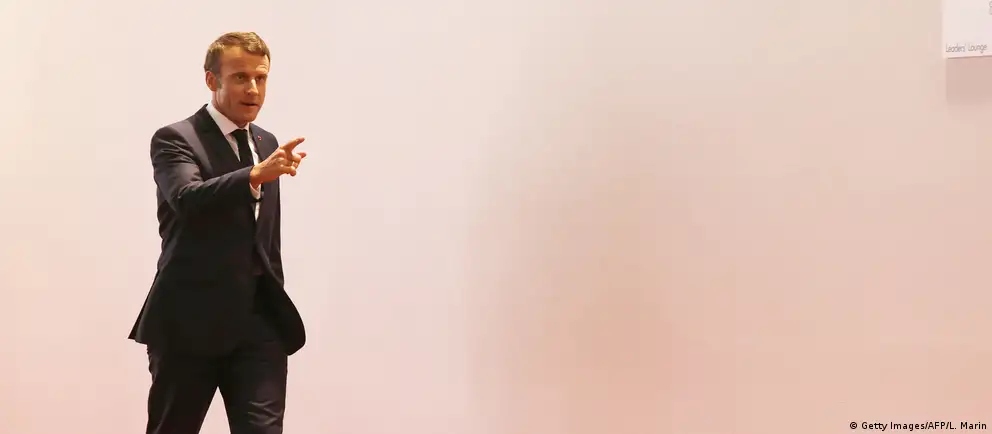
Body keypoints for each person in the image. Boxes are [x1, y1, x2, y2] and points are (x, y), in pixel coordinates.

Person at [128, 31, 308, 434]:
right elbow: (187, 198)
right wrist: (253, 175)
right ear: (212, 80)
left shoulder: (266, 142)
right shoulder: (176, 138)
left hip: (259, 324)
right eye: (241, 77)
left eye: (261, 78)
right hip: (189, 322)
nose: (253, 89)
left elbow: (265, 238)